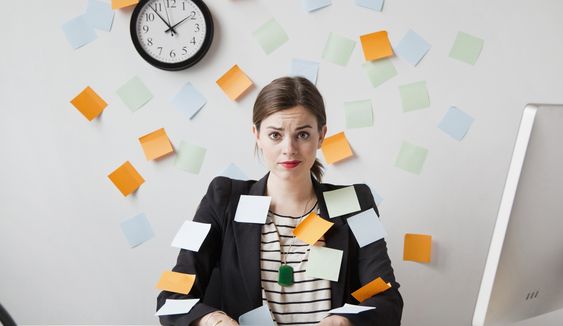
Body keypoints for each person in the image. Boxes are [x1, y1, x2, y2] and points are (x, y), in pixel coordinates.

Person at [157, 76, 403, 326]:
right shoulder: (223, 198)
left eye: (303, 135)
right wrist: (212, 320)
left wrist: (342, 322)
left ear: (321, 135)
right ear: (257, 135)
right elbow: (171, 298)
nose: (289, 149)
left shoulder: (355, 203)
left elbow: (387, 298)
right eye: (275, 135)